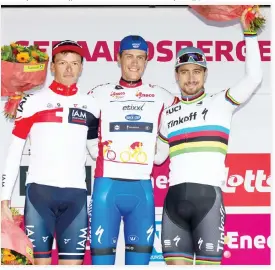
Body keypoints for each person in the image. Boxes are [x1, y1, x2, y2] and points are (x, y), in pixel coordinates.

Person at [154, 8, 263, 266]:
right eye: (184, 71)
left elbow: (254, 77)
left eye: (196, 71)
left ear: (205, 74)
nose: (190, 78)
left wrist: (250, 32)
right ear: (176, 75)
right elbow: (157, 159)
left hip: (208, 203)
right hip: (174, 205)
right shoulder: (168, 114)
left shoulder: (221, 103)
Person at [1, 40, 100, 265]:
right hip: (40, 196)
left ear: (82, 67)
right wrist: (4, 199)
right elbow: (15, 150)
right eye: (62, 63)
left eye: (74, 63)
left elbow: (96, 151)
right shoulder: (33, 102)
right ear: (52, 67)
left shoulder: (91, 105)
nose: (69, 69)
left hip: (75, 197)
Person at [87, 35, 179, 265]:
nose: (134, 63)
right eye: (129, 56)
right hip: (106, 188)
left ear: (147, 61)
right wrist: (96, 151)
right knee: (101, 265)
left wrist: (160, 153)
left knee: (139, 265)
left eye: (140, 58)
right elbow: (82, 126)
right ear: (118, 59)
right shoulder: (98, 93)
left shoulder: (161, 96)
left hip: (142, 190)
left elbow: (183, 119)